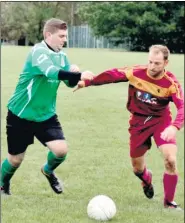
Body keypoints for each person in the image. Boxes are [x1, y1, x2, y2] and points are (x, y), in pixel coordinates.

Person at [74, 45, 184, 209]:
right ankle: (146, 180)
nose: (152, 67)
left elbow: (182, 106)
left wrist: (174, 127)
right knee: (137, 169)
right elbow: (111, 75)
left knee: (170, 159)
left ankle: (169, 202)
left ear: (166, 63)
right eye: (150, 62)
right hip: (138, 123)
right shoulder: (136, 72)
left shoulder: (171, 83)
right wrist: (88, 82)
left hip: (161, 121)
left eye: (157, 63)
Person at [1, 18, 94, 195]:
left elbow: (66, 81)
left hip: (45, 114)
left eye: (65, 36)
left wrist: (75, 75)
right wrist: (80, 74)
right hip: (21, 113)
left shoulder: (62, 55)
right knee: (15, 160)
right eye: (61, 36)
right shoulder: (38, 52)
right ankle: (2, 183)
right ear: (47, 35)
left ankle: (48, 170)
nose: (64, 40)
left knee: (61, 151)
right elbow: (51, 72)